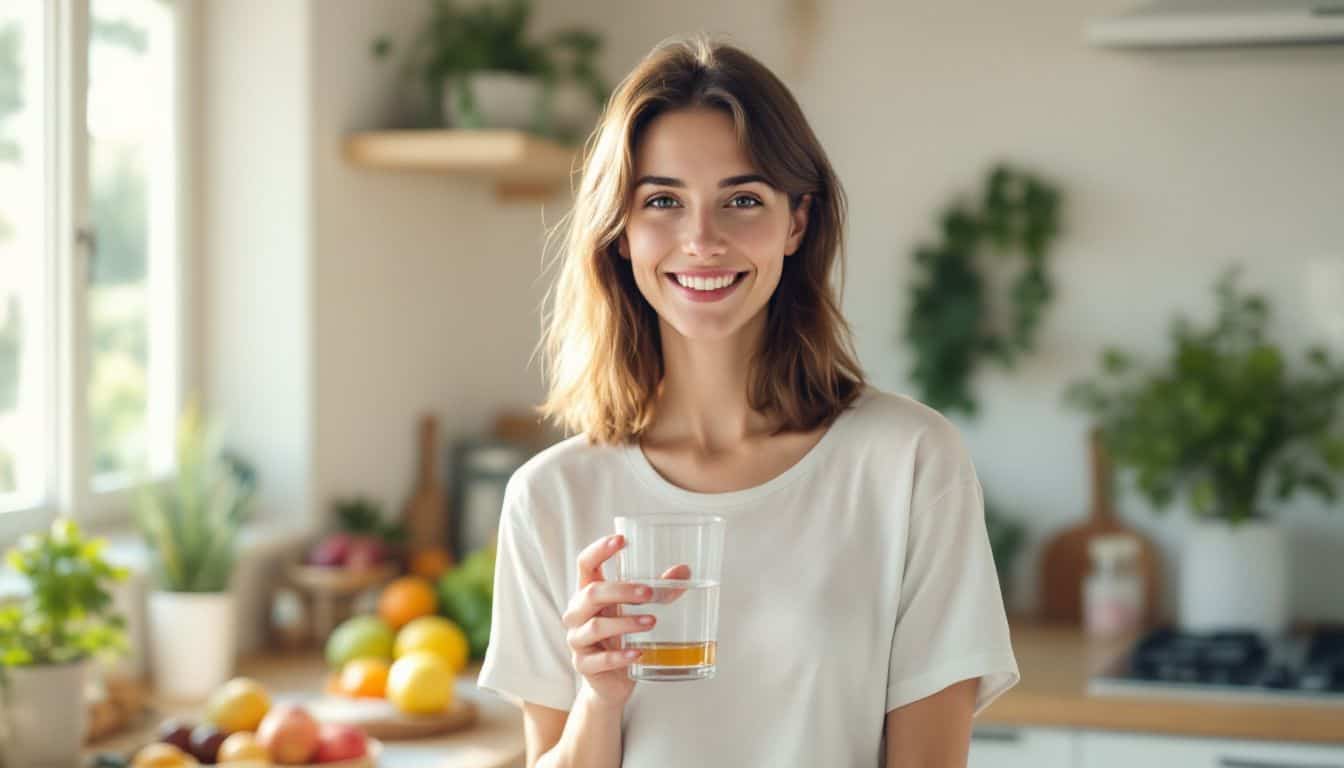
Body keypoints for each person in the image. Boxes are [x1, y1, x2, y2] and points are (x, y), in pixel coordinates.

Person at [477, 35, 1018, 768]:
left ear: (796, 221)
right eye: (663, 200)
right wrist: (598, 700)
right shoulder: (550, 496)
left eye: (742, 200)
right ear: (621, 230)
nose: (702, 240)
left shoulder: (908, 464)